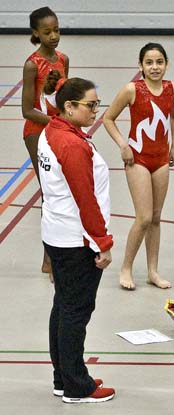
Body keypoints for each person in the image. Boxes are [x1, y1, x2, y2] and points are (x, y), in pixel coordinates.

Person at [39, 77, 115, 403]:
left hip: (57, 233)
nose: (95, 111)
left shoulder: (53, 132)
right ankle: (76, 385)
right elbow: (85, 198)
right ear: (69, 107)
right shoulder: (70, 145)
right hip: (76, 240)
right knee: (76, 310)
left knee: (63, 304)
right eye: (90, 105)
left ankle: (63, 376)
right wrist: (102, 242)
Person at [103, 43, 174, 290]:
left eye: (159, 62)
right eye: (149, 62)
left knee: (156, 218)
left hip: (161, 159)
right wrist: (122, 145)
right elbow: (108, 118)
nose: (155, 67)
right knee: (144, 217)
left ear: (166, 64)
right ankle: (126, 268)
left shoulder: (173, 89)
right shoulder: (131, 90)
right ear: (140, 66)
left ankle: (152, 271)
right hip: (137, 159)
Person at [21, 6, 69, 279]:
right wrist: (54, 123)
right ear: (36, 33)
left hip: (57, 129)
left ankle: (55, 255)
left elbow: (62, 98)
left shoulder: (63, 58)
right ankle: (49, 259)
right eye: (47, 32)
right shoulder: (32, 64)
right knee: (49, 193)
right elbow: (27, 109)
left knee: (60, 191)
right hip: (37, 131)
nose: (54, 36)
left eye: (57, 30)